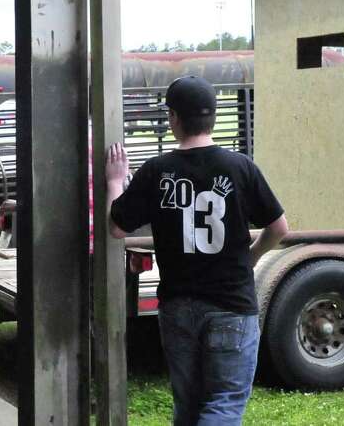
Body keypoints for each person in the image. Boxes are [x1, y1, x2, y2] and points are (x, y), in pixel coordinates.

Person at [105, 75, 289, 426]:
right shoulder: (240, 167)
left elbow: (117, 227)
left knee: (188, 408)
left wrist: (115, 181)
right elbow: (278, 228)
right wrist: (251, 257)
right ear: (213, 118)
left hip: (177, 308)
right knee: (224, 403)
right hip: (231, 306)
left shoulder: (157, 171)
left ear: (173, 118)